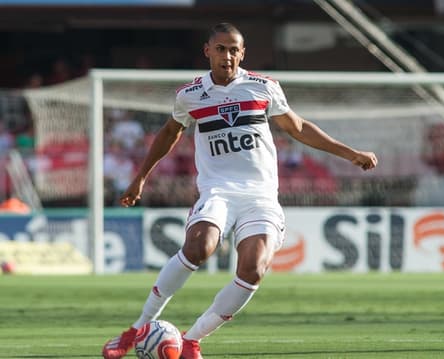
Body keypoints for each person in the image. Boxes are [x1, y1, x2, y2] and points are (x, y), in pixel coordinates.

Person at [102, 22, 377, 359]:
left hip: (261, 196)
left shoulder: (264, 88)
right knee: (199, 247)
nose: (227, 56)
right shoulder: (189, 95)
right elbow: (170, 132)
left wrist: (351, 154)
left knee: (254, 267)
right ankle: (136, 330)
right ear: (207, 51)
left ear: (243, 53)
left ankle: (192, 340)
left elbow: (300, 128)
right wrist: (141, 176)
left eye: (234, 50)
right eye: (220, 49)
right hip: (217, 191)